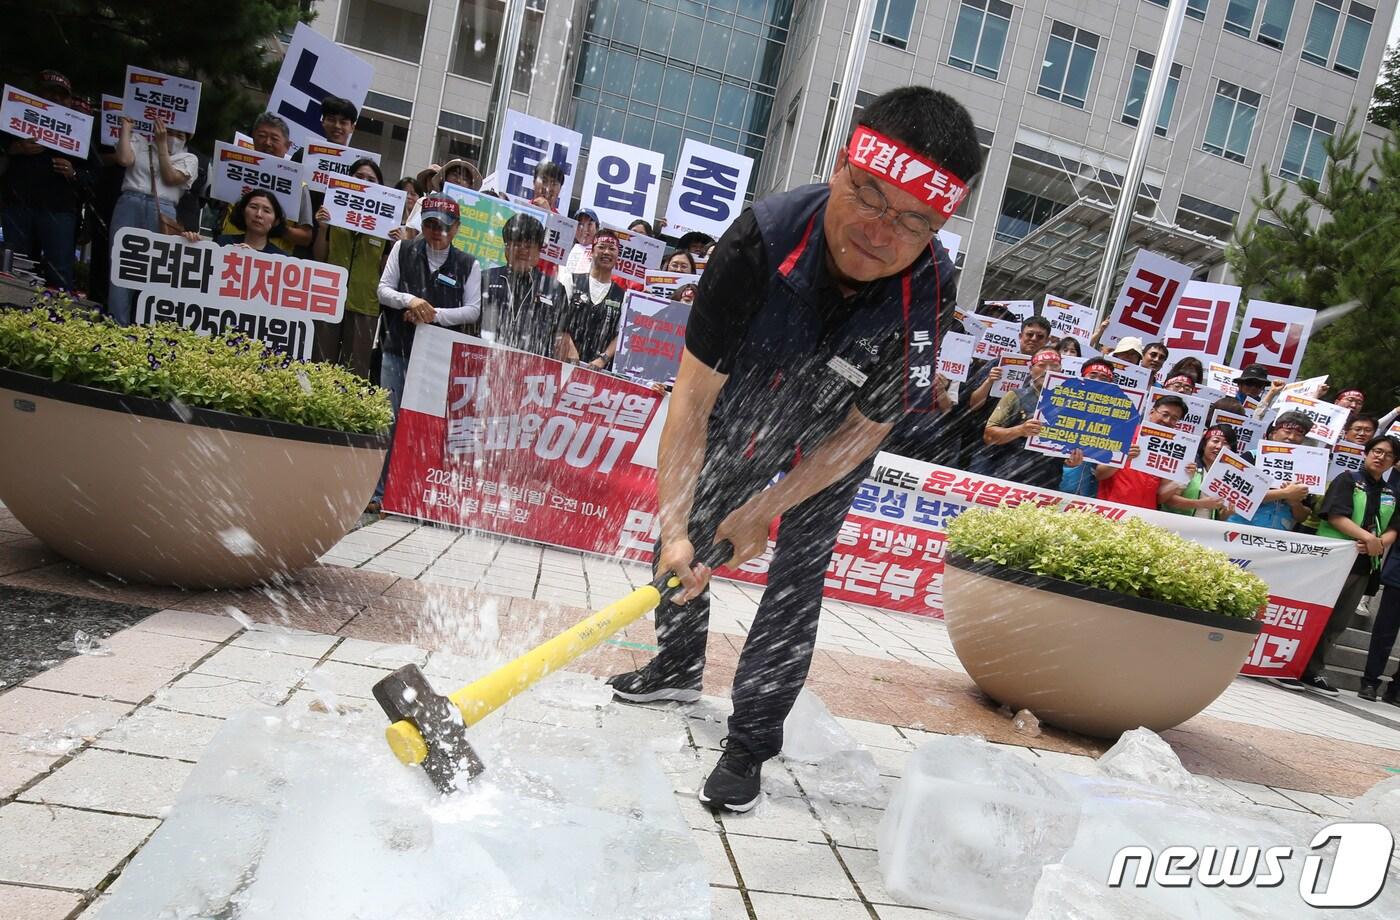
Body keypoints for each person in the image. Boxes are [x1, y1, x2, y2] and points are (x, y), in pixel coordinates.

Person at [604, 86, 981, 812]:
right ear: (842, 166)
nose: (882, 231)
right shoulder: (761, 239)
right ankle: (678, 663)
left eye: (915, 220)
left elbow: (867, 431)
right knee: (690, 523)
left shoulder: (928, 290)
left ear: (939, 224)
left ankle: (750, 741)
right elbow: (690, 400)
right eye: (869, 195)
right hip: (750, 392)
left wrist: (769, 509)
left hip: (835, 427)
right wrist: (678, 526)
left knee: (800, 569)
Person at [371, 195, 482, 511]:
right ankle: (379, 492)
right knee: (388, 420)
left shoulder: (467, 263)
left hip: (437, 357)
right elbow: (383, 290)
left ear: (456, 228)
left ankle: (414, 493)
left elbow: (472, 310)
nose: (436, 232)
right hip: (397, 349)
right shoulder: (403, 249)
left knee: (425, 426)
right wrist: (410, 301)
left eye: (444, 226)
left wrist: (432, 315)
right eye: (430, 224)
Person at [1291, 436, 1400, 697]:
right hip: (1334, 558)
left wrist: (1377, 544)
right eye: (1376, 451)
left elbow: (1394, 528)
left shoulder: (1390, 493)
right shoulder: (1348, 479)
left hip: (1363, 564)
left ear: (1394, 463)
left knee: (1338, 620)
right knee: (1314, 613)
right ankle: (1291, 664)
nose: (1380, 457)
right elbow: (1335, 514)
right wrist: (1367, 538)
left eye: (1387, 455)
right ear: (1366, 452)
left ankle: (1314, 669)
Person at [1, 70, 93, 289]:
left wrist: (73, 173)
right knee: (13, 267)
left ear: (70, 100)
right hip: (18, 204)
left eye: (62, 96)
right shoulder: (13, 116)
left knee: (59, 271)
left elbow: (94, 173)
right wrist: (15, 148)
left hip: (59, 209)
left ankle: (58, 320)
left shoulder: (81, 130)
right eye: (50, 93)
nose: (56, 99)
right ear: (37, 93)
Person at [106, 117, 198, 324]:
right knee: (120, 266)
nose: (173, 137)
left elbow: (171, 178)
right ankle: (117, 325)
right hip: (130, 202)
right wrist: (126, 129)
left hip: (162, 210)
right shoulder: (141, 143)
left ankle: (146, 328)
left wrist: (163, 145)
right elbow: (124, 160)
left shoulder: (189, 158)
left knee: (155, 272)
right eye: (169, 131)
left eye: (180, 135)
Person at [312, 158, 388, 377]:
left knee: (355, 369)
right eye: (359, 177)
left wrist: (397, 243)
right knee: (320, 363)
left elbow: (385, 269)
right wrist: (323, 228)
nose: (365, 182)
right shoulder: (331, 212)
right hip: (328, 297)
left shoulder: (386, 222)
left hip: (365, 302)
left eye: (371, 179)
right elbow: (320, 256)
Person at [958, 316, 1052, 473]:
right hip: (987, 445)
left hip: (1025, 454)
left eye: (1040, 336)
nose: (1034, 339)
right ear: (1020, 336)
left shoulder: (1050, 376)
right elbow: (974, 405)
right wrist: (989, 381)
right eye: (1029, 334)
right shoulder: (997, 364)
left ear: (1047, 341)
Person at [479, 214, 573, 358]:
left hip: (532, 371)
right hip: (484, 361)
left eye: (529, 245)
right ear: (506, 247)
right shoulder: (484, 278)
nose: (523, 250)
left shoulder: (555, 289)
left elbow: (562, 338)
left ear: (539, 250)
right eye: (516, 244)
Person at [216, 113, 312, 254]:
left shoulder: (298, 185)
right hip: (229, 251)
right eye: (262, 136)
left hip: (271, 263)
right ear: (253, 139)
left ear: (288, 146)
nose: (267, 143)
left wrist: (275, 227)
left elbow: (306, 237)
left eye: (274, 138)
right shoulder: (235, 170)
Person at [1088, 394, 1191, 509]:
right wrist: (1122, 459)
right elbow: (1099, 474)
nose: (1167, 420)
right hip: (1110, 511)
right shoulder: (1123, 433)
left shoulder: (1172, 449)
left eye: (1174, 418)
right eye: (1165, 414)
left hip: (1144, 518)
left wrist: (1182, 477)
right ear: (1151, 412)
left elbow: (1160, 498)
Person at [981, 348, 1065, 488]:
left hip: (1049, 481)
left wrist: (1073, 460)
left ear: (1061, 371)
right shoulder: (1014, 396)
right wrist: (1020, 430)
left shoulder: (1072, 404)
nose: (1048, 370)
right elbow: (989, 436)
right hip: (1010, 477)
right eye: (1042, 365)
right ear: (1031, 370)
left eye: (1054, 366)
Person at [1223, 410, 1316, 530]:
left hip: (1276, 535)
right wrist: (1284, 493)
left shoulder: (1306, 467)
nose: (1292, 437)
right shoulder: (1251, 457)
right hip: (1239, 528)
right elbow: (1236, 495)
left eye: (1299, 435)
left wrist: (1294, 502)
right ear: (1273, 434)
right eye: (1287, 432)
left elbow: (1302, 517)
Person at [562, 227, 627, 368]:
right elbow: (559, 319)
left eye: (612, 249)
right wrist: (570, 349)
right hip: (563, 361)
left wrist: (603, 359)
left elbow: (621, 333)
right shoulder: (571, 280)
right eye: (601, 247)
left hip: (597, 371)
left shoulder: (623, 296)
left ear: (618, 256)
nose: (606, 252)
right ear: (592, 251)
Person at [1164, 425, 1235, 518]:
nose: (1219, 446)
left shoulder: (1227, 476)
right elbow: (1167, 499)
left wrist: (1226, 514)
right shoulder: (1189, 465)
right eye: (1215, 441)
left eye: (1225, 443)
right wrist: (1200, 503)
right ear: (1204, 444)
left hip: (1205, 529)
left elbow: (1215, 516)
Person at [209, 190, 286, 253]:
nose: (258, 214)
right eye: (253, 207)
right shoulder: (222, 242)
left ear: (276, 221)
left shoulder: (281, 259)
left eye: (266, 211)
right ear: (243, 211)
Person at [566, 207, 598, 274]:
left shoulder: (601, 252)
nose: (585, 229)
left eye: (589, 224)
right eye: (580, 224)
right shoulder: (564, 248)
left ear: (597, 228)